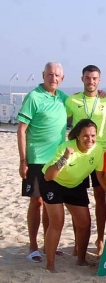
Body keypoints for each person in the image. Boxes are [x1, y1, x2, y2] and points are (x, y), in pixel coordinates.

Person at [65, 65, 106, 255]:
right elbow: (59, 121)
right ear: (82, 79)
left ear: (99, 80)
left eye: (94, 78)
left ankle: (100, 239)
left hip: (101, 154)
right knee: (77, 198)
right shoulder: (71, 100)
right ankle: (77, 241)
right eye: (88, 78)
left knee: (100, 198)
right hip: (78, 154)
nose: (91, 81)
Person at [16, 62, 68, 263]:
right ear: (43, 75)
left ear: (61, 78)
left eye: (56, 75)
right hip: (36, 158)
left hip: (56, 161)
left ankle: (49, 245)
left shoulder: (63, 98)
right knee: (36, 201)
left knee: (51, 202)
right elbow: (21, 129)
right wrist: (23, 160)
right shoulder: (33, 97)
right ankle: (32, 247)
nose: (53, 78)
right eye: (49, 74)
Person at [40, 119, 104, 272]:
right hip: (53, 183)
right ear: (77, 136)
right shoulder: (66, 147)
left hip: (75, 185)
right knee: (57, 222)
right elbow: (49, 176)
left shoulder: (98, 149)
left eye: (93, 135)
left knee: (85, 223)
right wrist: (65, 158)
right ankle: (50, 265)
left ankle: (81, 260)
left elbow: (101, 177)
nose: (90, 139)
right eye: (85, 136)